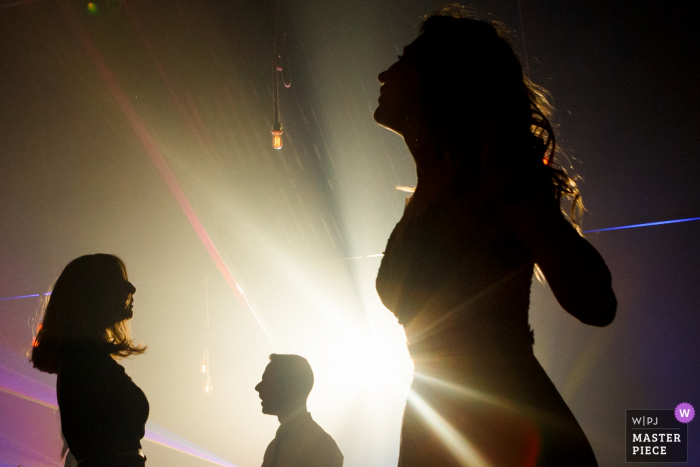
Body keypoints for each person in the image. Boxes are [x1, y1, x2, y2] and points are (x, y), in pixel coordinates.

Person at [373, 6, 617, 467]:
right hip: (440, 415)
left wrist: (513, 183)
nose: (385, 73)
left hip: (508, 427)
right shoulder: (425, 195)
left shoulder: (490, 184)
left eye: (403, 62)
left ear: (440, 84)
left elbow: (596, 302)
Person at [31, 254, 149, 467]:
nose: (131, 289)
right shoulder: (85, 363)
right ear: (95, 294)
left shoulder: (84, 360)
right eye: (119, 282)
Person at [255, 354, 343, 467]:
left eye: (267, 380)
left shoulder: (320, 445)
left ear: (290, 386)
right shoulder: (274, 447)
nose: (258, 387)